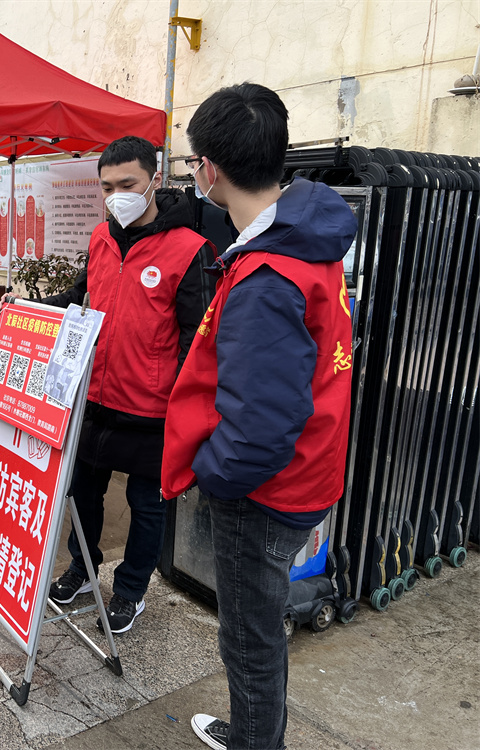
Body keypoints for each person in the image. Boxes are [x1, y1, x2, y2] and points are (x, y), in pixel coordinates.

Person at [161, 83, 356, 750]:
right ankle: (253, 730)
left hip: (266, 492)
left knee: (248, 635)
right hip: (307, 470)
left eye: (191, 163)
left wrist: (215, 479)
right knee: (258, 629)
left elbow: (258, 430)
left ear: (208, 168)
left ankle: (254, 743)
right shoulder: (307, 240)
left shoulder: (269, 275)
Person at [39, 135, 215, 634]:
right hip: (94, 397)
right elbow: (82, 297)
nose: (118, 195)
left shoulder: (191, 250)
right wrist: (34, 310)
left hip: (152, 410)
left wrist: (181, 409)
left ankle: (132, 589)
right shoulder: (100, 238)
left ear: (155, 180)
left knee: (146, 505)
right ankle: (82, 567)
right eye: (108, 186)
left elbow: (195, 341)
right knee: (82, 495)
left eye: (128, 184)